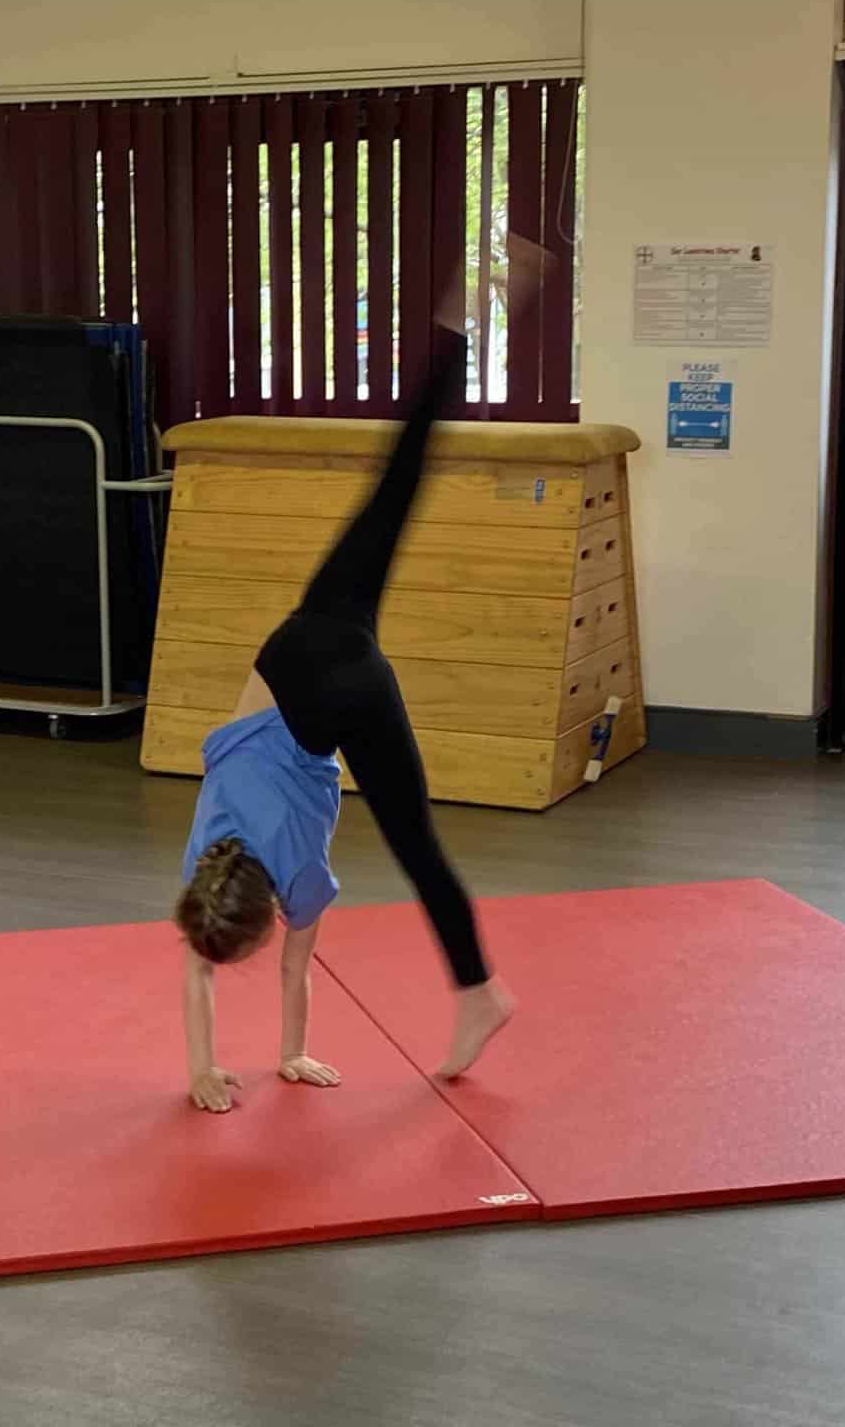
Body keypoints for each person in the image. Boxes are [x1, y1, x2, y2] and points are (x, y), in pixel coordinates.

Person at [174, 243, 542, 1113]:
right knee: (397, 482)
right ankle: (464, 315)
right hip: (311, 641)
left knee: (417, 844)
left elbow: (241, 971)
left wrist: (206, 1073)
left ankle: (482, 991)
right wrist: (284, 1058)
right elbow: (199, 967)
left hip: (353, 688)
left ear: (262, 915)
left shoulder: (298, 885)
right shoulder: (202, 860)